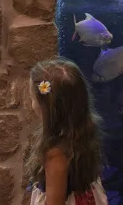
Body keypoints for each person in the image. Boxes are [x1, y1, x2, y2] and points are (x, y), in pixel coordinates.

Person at [27, 58, 108, 205]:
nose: (32, 103)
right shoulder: (82, 133)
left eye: (32, 98)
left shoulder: (56, 154)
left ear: (47, 108)